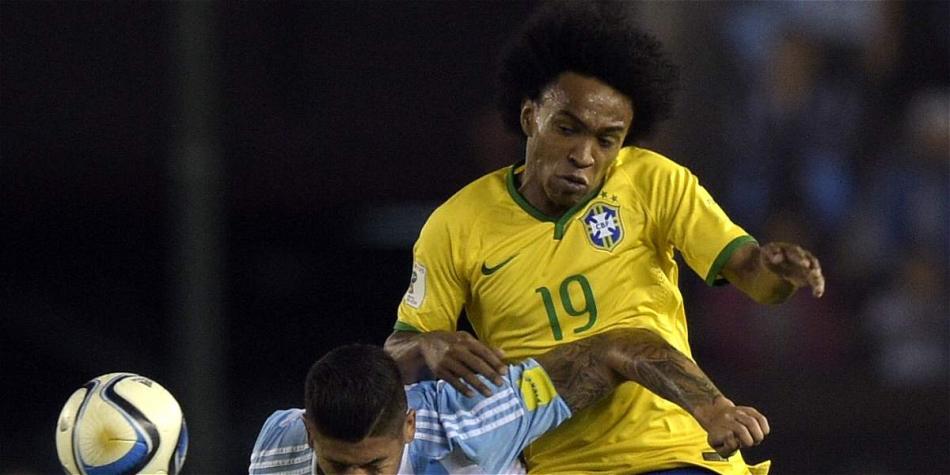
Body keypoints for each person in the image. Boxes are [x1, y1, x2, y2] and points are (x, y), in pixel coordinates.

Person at [384, 2, 824, 474]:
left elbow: (755, 280)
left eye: (606, 139)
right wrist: (429, 345)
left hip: (678, 450)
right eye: (567, 129)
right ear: (531, 117)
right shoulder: (457, 223)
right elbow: (397, 351)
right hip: (560, 464)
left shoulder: (654, 182)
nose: (584, 155)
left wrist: (775, 271)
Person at [249, 328, 768, 474]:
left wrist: (712, 408)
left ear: (409, 426)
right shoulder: (277, 450)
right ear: (310, 433)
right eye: (338, 468)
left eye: (373, 467)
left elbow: (614, 349)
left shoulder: (476, 421)